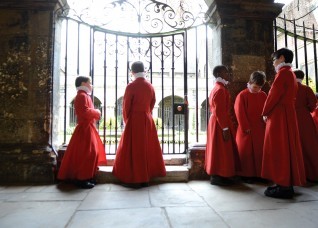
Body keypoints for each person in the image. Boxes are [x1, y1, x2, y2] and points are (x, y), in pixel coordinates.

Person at [112, 61, 166, 188]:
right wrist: (146, 112)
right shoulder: (150, 86)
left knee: (134, 149)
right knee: (147, 147)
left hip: (135, 119)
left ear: (132, 72)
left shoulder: (131, 86)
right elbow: (153, 102)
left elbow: (126, 106)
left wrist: (127, 120)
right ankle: (145, 178)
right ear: (144, 71)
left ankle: (134, 178)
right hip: (147, 119)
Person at [262, 48, 306, 199]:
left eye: (274, 59)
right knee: (287, 148)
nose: (273, 62)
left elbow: (273, 95)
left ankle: (283, 185)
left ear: (281, 58)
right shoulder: (291, 74)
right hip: (287, 114)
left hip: (279, 115)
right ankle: (285, 183)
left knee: (279, 148)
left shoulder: (282, 74)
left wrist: (265, 112)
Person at [58, 76, 107, 189]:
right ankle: (82, 179)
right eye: (90, 82)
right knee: (87, 154)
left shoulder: (84, 95)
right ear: (83, 83)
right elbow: (84, 112)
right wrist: (97, 112)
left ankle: (87, 177)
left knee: (90, 153)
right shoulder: (81, 96)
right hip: (85, 129)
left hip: (88, 127)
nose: (91, 85)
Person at [205, 65, 240, 186]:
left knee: (219, 149)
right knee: (222, 149)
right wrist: (225, 128)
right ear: (219, 73)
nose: (228, 74)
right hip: (220, 123)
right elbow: (219, 111)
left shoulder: (218, 87)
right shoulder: (220, 89)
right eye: (226, 72)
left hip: (218, 122)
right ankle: (220, 175)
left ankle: (220, 174)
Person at [234, 71, 267, 183]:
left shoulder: (263, 95)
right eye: (255, 87)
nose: (257, 89)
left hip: (260, 128)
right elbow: (239, 112)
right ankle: (247, 175)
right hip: (246, 129)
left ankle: (260, 174)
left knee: (259, 152)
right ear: (250, 82)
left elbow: (266, 110)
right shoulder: (242, 95)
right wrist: (245, 126)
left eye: (259, 87)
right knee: (246, 153)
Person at [294, 69, 318, 182]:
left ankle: (298, 174)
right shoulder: (306, 88)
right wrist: (305, 109)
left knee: (294, 146)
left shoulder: (289, 88)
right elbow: (313, 104)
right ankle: (313, 173)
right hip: (305, 118)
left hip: (291, 117)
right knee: (309, 145)